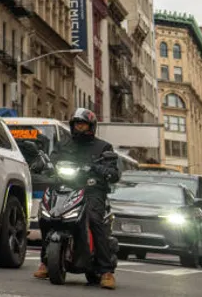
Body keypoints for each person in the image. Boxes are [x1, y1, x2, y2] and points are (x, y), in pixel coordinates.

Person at [33, 108, 121, 290]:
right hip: (65, 187)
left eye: (83, 124)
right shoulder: (64, 144)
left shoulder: (103, 147)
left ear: (91, 126)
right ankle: (45, 261)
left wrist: (102, 169)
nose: (79, 127)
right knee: (45, 216)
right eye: (76, 124)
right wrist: (42, 164)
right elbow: (52, 160)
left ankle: (106, 271)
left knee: (95, 219)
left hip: (91, 190)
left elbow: (114, 172)